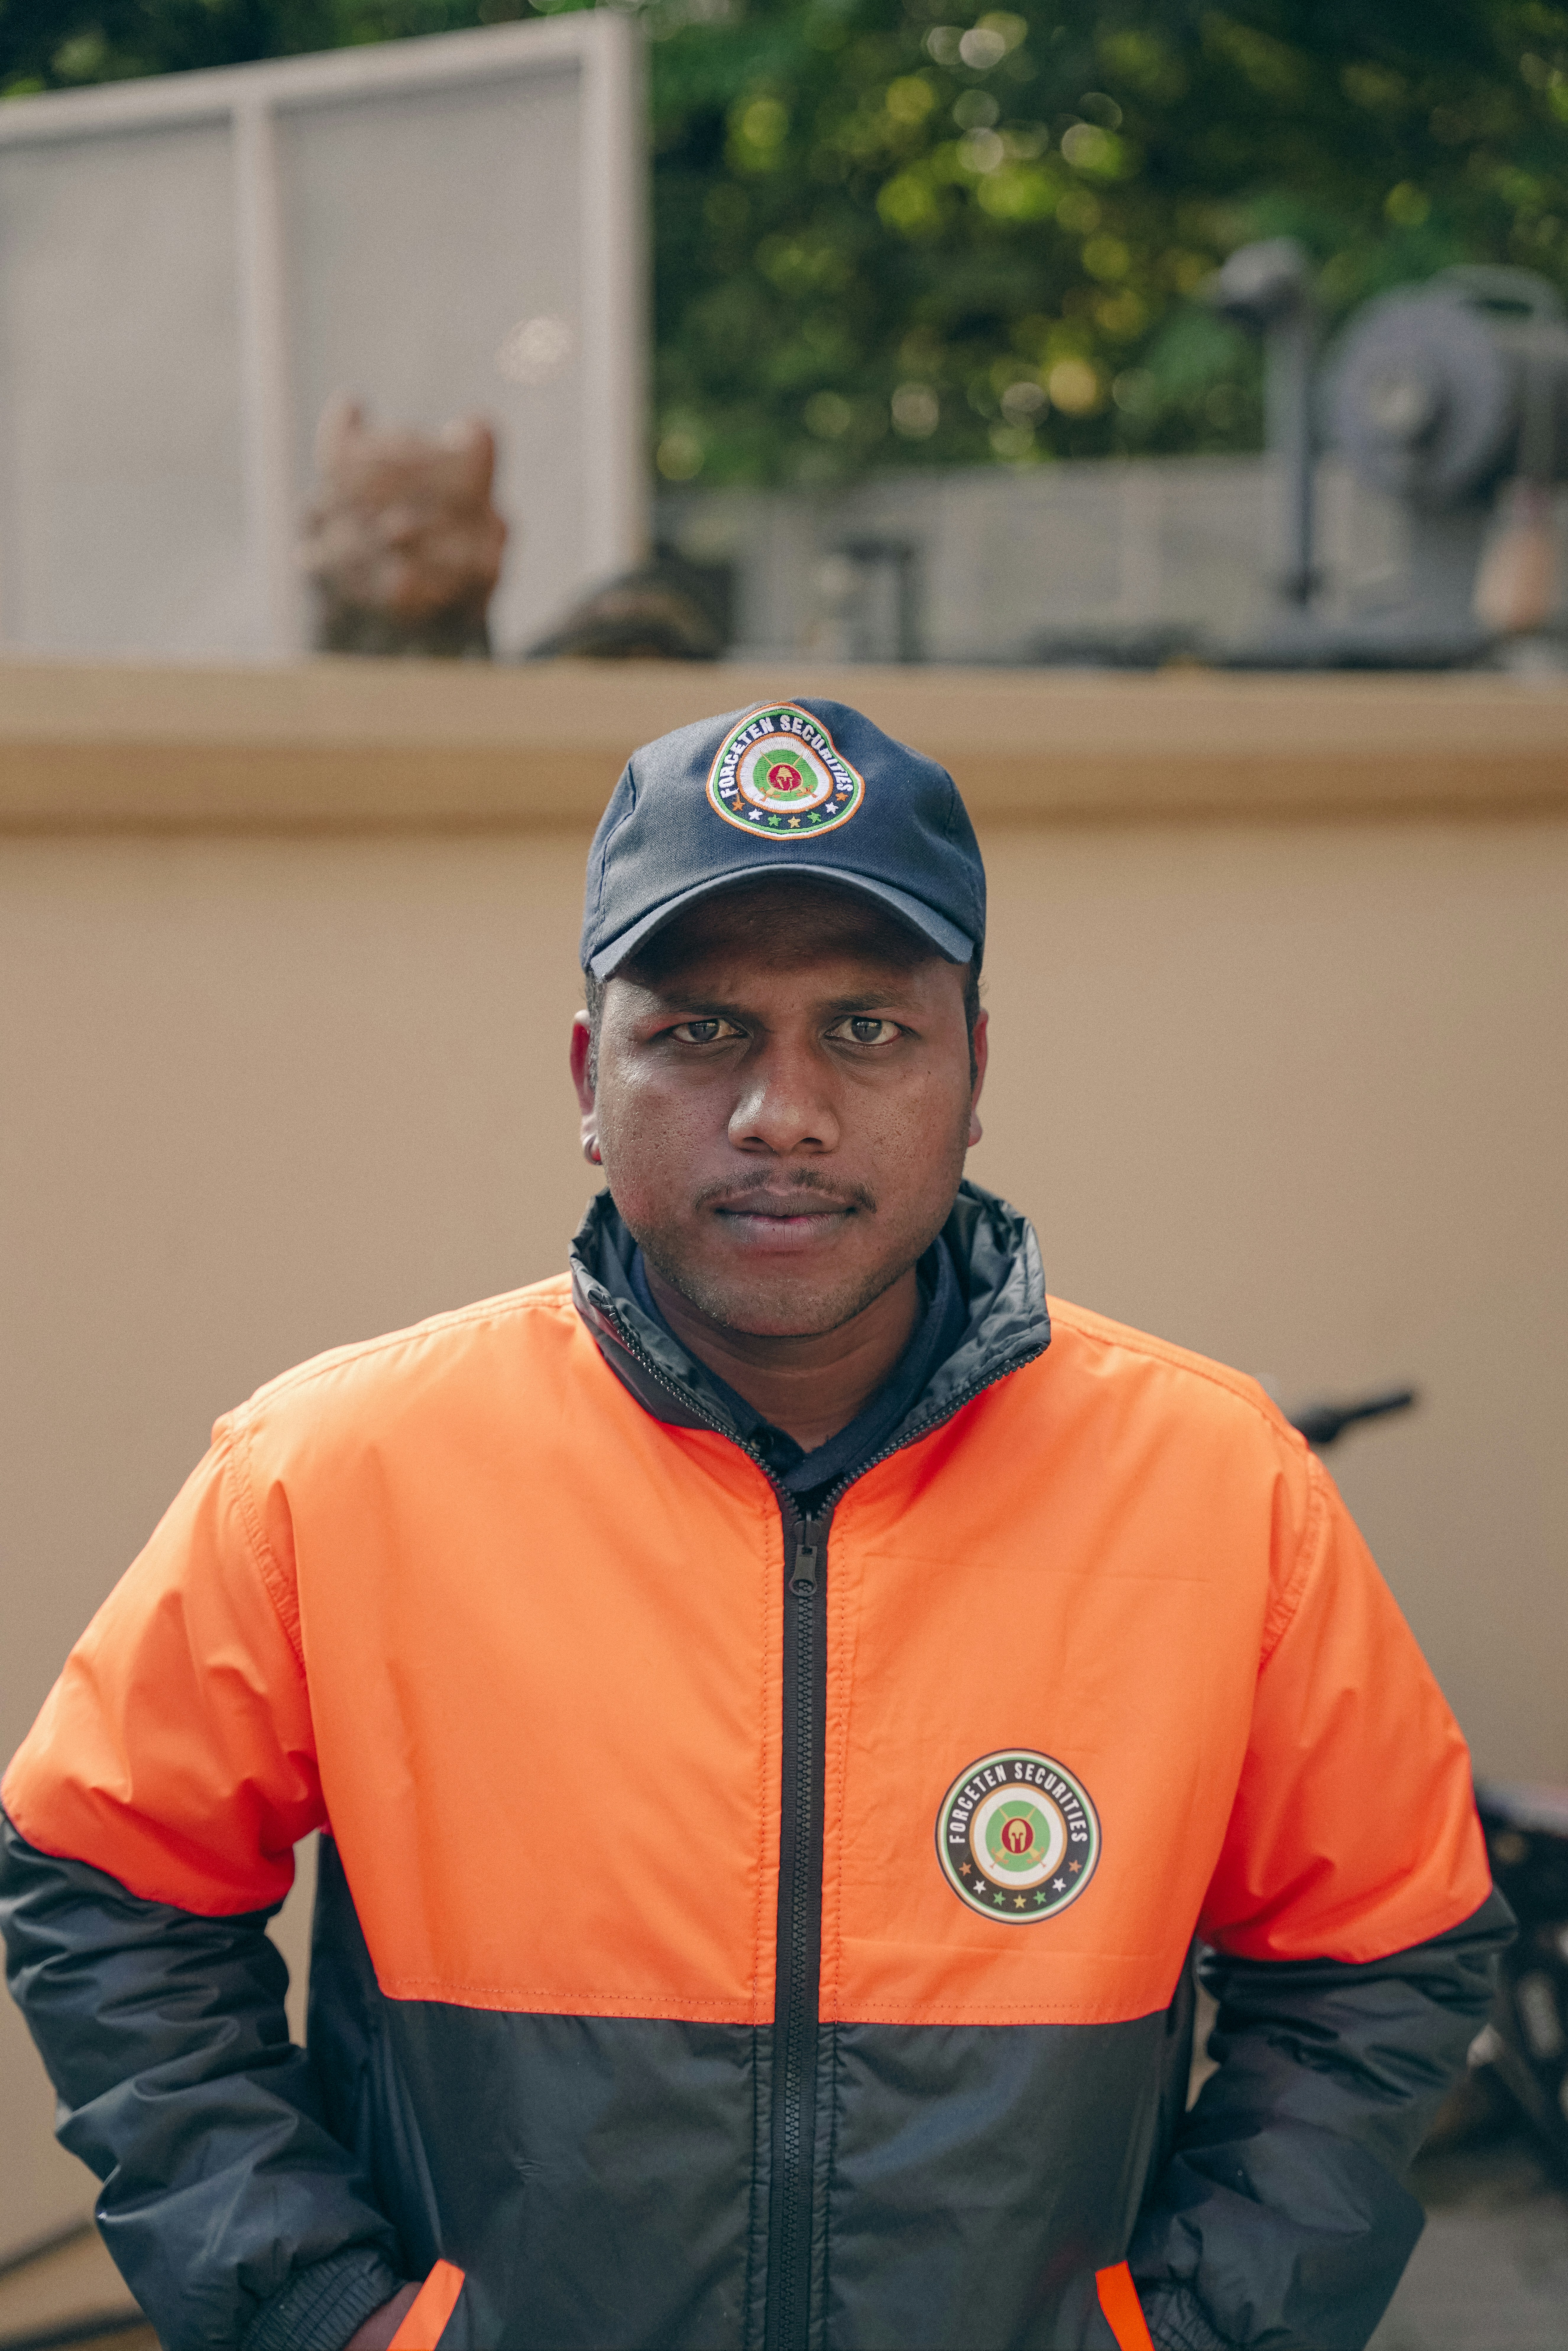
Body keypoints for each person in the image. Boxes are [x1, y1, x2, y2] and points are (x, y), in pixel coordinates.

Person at [1, 699, 1509, 2351]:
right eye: (701, 1031)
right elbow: (100, 1875)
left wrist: (1204, 2328)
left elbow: (1388, 1950)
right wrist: (321, 2310)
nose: (780, 1112)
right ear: (591, 1073)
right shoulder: (331, 1470)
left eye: (864, 1031)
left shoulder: (1223, 1488)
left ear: (974, 1071)